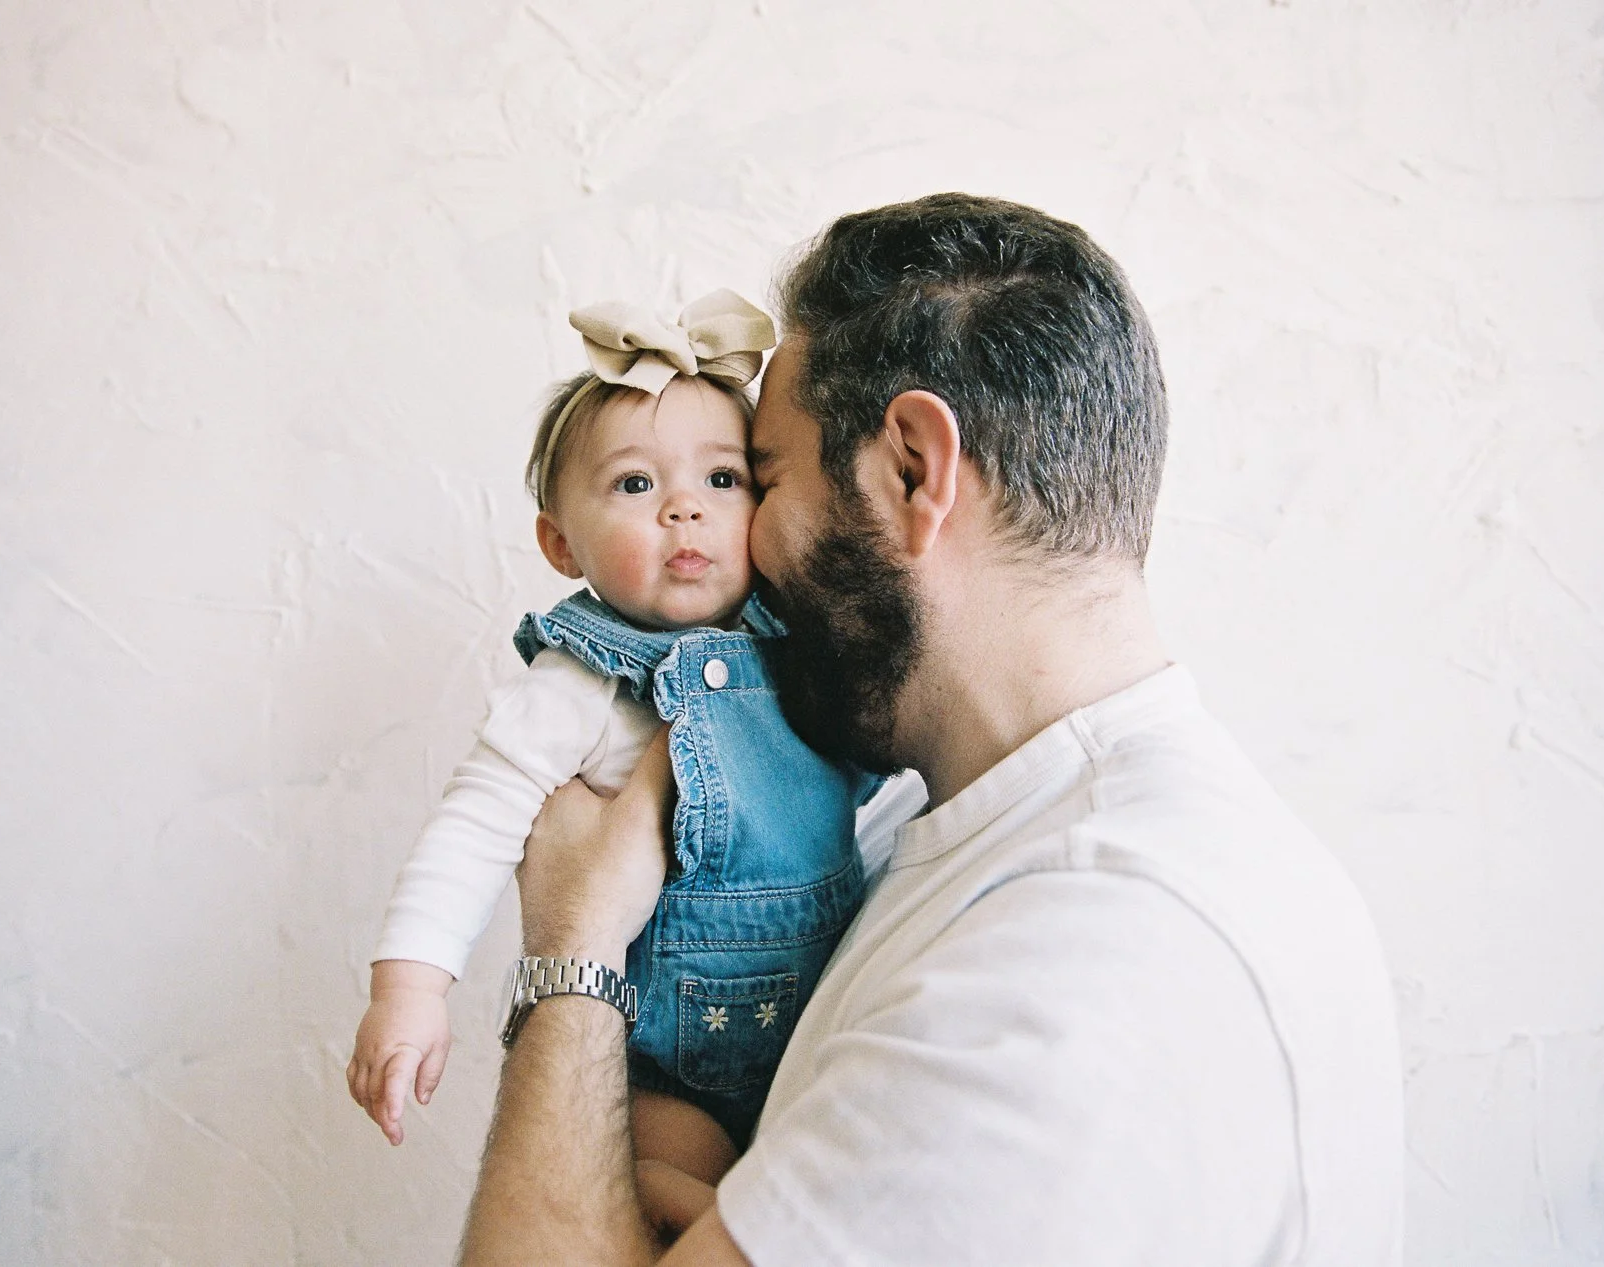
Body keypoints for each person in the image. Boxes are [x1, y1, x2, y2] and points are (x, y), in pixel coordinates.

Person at [458, 193, 1406, 1265]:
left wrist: (574, 950)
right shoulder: (981, 836)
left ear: (912, 468)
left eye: (757, 481)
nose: (736, 545)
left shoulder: (1075, 966)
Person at [346, 290, 885, 1195]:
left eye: (722, 480)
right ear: (562, 545)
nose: (686, 510)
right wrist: (410, 987)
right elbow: (473, 825)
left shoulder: (799, 642)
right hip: (675, 1059)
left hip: (830, 1019)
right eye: (637, 485)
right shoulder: (580, 683)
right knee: (667, 1194)